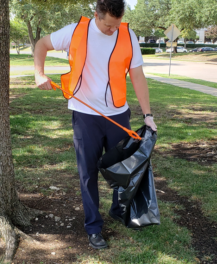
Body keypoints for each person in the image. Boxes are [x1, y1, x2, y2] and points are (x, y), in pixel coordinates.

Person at [34, 0, 157, 249]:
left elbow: (137, 75)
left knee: (121, 168)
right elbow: (42, 44)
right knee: (87, 173)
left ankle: (116, 209)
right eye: (109, 26)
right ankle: (93, 227)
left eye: (118, 25)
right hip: (85, 115)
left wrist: (148, 114)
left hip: (118, 115)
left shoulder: (127, 34)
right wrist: (39, 72)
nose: (114, 30)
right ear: (96, 16)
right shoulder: (74, 31)